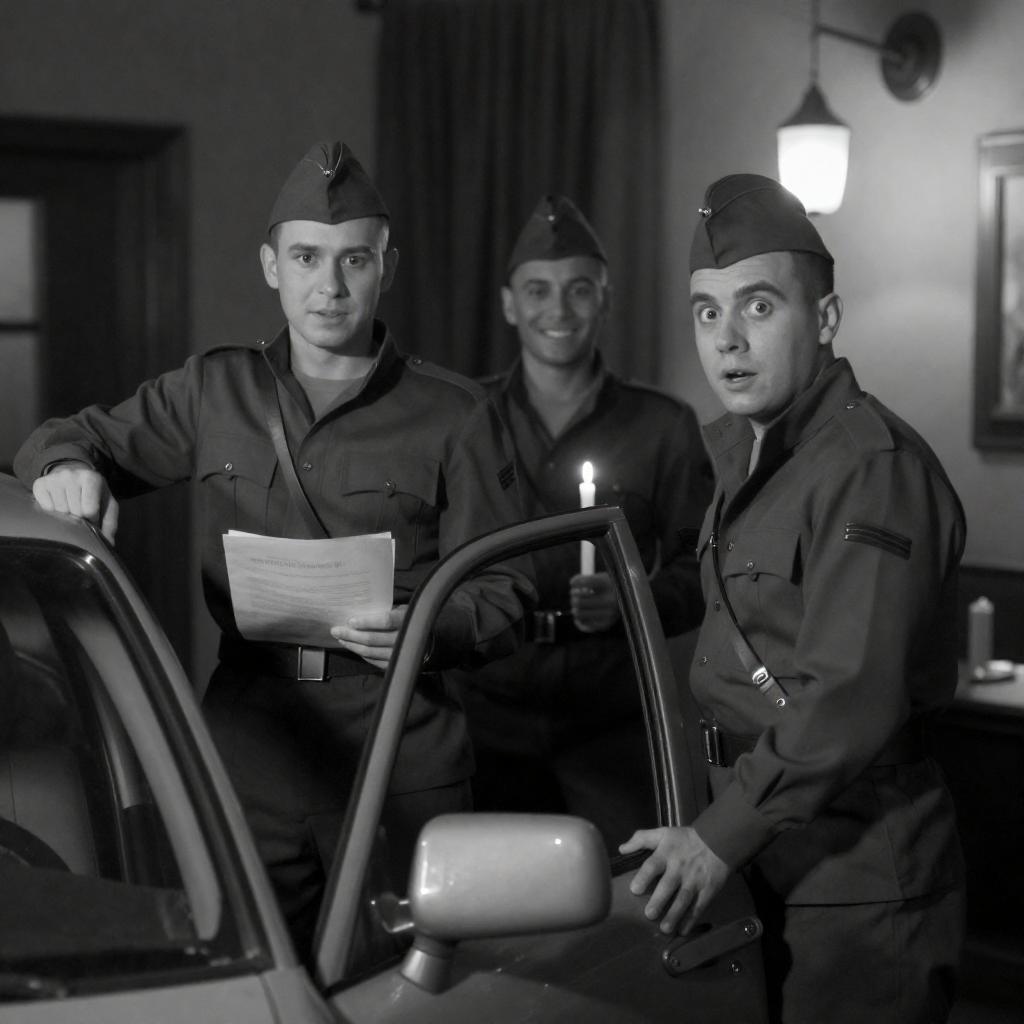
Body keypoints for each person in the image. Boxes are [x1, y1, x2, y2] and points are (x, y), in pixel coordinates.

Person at [14, 140, 534, 963]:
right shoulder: (214, 391)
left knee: (407, 988)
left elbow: (508, 588)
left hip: (397, 744)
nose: (330, 286)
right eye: (306, 258)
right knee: (250, 978)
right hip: (252, 741)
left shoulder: (457, 414)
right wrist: (66, 467)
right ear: (270, 267)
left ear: (387, 268)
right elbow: (68, 436)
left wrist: (429, 626)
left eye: (353, 260)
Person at [619, 174, 966, 1023]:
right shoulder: (742, 458)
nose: (727, 340)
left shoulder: (871, 468)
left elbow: (849, 696)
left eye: (759, 306)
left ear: (826, 317)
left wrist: (715, 840)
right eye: (707, 312)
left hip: (857, 877)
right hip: (761, 854)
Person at [454, 194, 714, 850]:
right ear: (509, 304)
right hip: (487, 713)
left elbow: (703, 569)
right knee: (494, 896)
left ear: (605, 299)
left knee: (629, 892)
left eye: (578, 289)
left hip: (614, 715)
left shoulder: (663, 427)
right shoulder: (463, 419)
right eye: (537, 290)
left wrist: (633, 599)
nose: (559, 310)